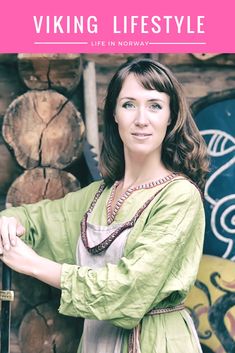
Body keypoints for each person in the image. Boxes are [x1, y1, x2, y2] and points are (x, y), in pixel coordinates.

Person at [0, 58, 209, 353]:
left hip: (155, 343)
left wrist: (36, 266)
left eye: (154, 105)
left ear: (171, 117)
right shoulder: (98, 196)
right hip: (97, 343)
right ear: (114, 114)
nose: (141, 119)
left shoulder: (178, 197)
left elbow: (130, 288)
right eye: (128, 105)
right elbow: (34, 220)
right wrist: (8, 222)